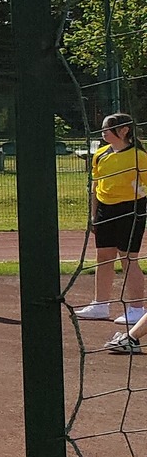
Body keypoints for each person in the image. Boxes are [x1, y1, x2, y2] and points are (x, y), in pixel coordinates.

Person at [79, 113, 147, 327]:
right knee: (104, 257)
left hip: (131, 209)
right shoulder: (100, 155)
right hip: (105, 210)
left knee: (128, 258)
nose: (103, 133)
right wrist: (93, 215)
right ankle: (100, 304)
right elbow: (95, 187)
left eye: (106, 129)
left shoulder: (139, 156)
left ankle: (137, 309)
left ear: (124, 130)